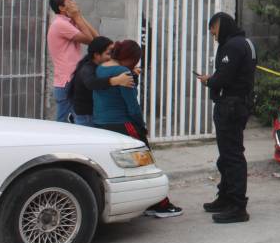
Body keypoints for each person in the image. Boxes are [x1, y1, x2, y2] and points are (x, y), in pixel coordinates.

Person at [94, 40, 183, 219]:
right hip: (123, 124)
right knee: (146, 164)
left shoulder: (101, 68)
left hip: (102, 123)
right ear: (131, 58)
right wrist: (141, 126)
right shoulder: (123, 73)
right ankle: (160, 204)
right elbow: (132, 106)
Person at [197, 13, 257, 224]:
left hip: (230, 107)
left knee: (232, 157)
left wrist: (208, 81)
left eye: (213, 27)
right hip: (237, 104)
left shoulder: (232, 46)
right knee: (227, 157)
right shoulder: (245, 43)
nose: (212, 33)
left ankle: (237, 206)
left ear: (221, 25)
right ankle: (225, 197)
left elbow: (224, 77)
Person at [47, 0, 99, 122]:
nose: (75, 3)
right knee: (64, 123)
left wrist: (79, 17)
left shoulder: (69, 22)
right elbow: (89, 41)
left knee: (72, 121)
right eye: (70, 1)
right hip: (67, 80)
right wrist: (77, 17)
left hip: (72, 78)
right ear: (62, 8)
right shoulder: (60, 25)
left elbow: (96, 40)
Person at [67, 36, 134, 127]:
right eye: (109, 53)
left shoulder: (100, 66)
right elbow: (92, 83)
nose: (112, 56)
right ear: (97, 55)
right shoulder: (87, 68)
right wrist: (116, 80)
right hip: (86, 115)